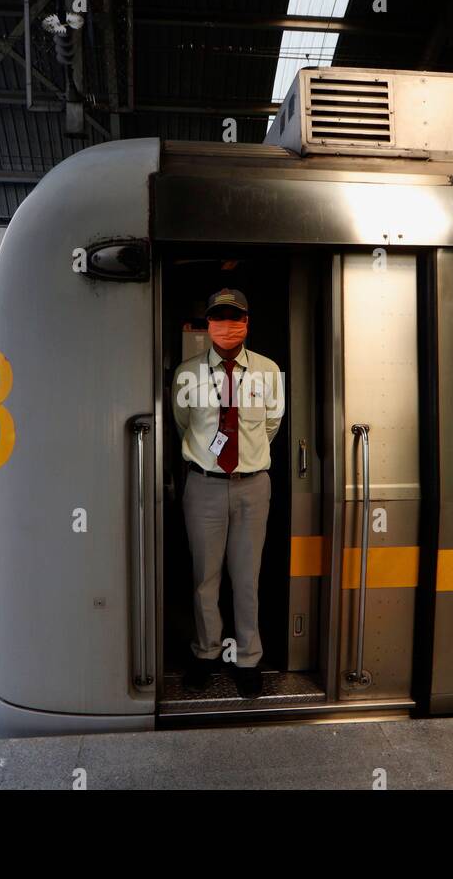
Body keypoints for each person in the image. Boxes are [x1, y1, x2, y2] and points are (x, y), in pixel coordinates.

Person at [172, 289, 283, 699]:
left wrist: (244, 456)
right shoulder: (187, 373)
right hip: (204, 485)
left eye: (234, 317)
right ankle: (206, 653)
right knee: (205, 577)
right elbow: (185, 425)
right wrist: (212, 458)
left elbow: (270, 425)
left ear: (247, 322)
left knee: (247, 577)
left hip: (253, 485)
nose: (226, 325)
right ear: (208, 324)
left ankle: (248, 658)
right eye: (218, 317)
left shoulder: (269, 372)